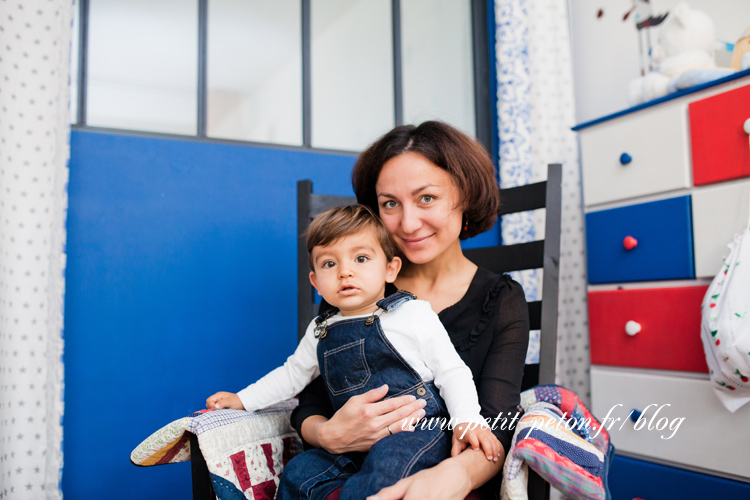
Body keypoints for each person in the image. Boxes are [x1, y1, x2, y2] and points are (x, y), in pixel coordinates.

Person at [290, 121, 530, 500]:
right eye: (390, 204)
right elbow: (313, 400)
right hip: (345, 465)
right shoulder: (355, 285)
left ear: (465, 197)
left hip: (440, 470)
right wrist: (325, 433)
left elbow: (497, 421)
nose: (408, 223)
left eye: (426, 198)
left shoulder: (501, 299)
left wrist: (453, 477)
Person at [206, 204, 501, 500]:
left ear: (390, 269)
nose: (345, 271)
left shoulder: (412, 313)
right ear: (316, 282)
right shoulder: (321, 329)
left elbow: (452, 371)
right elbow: (291, 374)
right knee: (300, 469)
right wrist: (243, 399)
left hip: (417, 432)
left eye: (361, 258)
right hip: (352, 444)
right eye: (329, 264)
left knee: (387, 465)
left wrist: (467, 419)